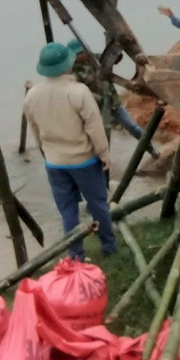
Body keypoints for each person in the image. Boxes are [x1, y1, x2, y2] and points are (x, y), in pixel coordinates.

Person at [22, 42, 117, 260]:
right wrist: (104, 154)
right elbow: (95, 127)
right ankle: (108, 247)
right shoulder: (78, 92)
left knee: (67, 211)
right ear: (68, 65)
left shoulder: (32, 96)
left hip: (55, 163)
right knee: (98, 205)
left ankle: (75, 255)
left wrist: (45, 153)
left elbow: (35, 130)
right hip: (83, 160)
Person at [67, 39, 143, 140]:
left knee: (131, 126)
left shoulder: (96, 59)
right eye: (78, 54)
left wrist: (116, 54)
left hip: (113, 102)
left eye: (81, 52)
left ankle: (150, 147)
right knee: (102, 137)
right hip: (97, 109)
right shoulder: (74, 71)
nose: (80, 56)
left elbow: (112, 60)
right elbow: (79, 92)